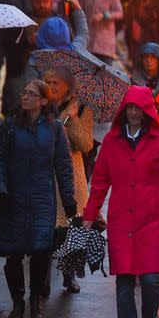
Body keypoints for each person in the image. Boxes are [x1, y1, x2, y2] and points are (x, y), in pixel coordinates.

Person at [83, 86, 159, 318]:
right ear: (123, 111)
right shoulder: (112, 141)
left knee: (151, 280)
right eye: (129, 108)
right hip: (121, 220)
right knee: (125, 281)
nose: (134, 113)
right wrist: (90, 214)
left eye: (139, 108)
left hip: (152, 218)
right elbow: (100, 181)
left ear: (148, 111)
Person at [0, 79, 75, 318]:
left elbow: (64, 166)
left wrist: (68, 199)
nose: (25, 96)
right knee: (13, 253)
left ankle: (36, 297)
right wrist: (0, 188)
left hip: (41, 200)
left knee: (41, 252)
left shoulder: (55, 129)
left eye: (31, 93)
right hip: (13, 198)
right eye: (24, 92)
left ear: (43, 101)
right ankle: (17, 302)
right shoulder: (9, 126)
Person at [43, 67, 93, 294]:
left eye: (56, 82)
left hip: (73, 173)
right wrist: (63, 117)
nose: (51, 86)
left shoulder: (82, 109)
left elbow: (85, 144)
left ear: (67, 87)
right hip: (45, 172)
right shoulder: (40, 104)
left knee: (72, 228)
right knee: (47, 229)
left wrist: (73, 117)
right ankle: (42, 281)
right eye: (48, 81)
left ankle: (69, 273)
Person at [82, 0, 124, 65]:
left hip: (105, 42)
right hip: (89, 42)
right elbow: (81, 12)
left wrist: (104, 15)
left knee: (105, 75)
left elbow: (119, 13)